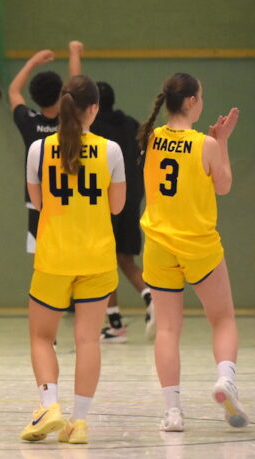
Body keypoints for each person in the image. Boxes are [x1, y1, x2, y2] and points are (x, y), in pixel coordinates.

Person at [137, 73, 248, 431]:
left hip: (158, 245)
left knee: (168, 330)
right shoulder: (206, 144)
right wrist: (223, 142)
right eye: (200, 96)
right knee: (223, 319)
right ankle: (225, 380)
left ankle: (172, 412)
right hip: (198, 245)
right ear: (190, 102)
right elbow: (224, 185)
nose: (202, 101)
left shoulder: (151, 139)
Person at [20, 75, 125, 444]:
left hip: (53, 256)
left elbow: (40, 203)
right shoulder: (111, 150)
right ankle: (78, 423)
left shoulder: (38, 149)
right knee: (88, 341)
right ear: (93, 109)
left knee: (41, 336)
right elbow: (117, 206)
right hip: (97, 257)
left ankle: (50, 405)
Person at [89, 81, 154, 342]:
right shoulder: (132, 124)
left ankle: (115, 323)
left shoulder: (92, 128)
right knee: (125, 258)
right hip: (133, 196)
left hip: (107, 199)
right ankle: (151, 297)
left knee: (104, 260)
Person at [9, 41, 83, 254]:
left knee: (44, 264)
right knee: (71, 259)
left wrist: (32, 62)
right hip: (69, 202)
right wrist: (74, 53)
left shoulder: (29, 122)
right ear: (62, 95)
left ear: (33, 96)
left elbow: (14, 91)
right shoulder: (70, 122)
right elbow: (77, 86)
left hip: (38, 204)